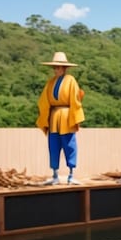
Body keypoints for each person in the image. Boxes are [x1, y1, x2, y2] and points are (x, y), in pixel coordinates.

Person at [36, 51, 85, 185]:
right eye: (55, 67)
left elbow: (75, 99)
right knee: (53, 145)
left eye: (58, 67)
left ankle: (71, 174)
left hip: (66, 115)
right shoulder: (50, 82)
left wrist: (75, 117)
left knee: (69, 144)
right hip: (54, 116)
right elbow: (44, 100)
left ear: (64, 68)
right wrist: (45, 117)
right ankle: (55, 175)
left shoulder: (70, 80)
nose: (56, 70)